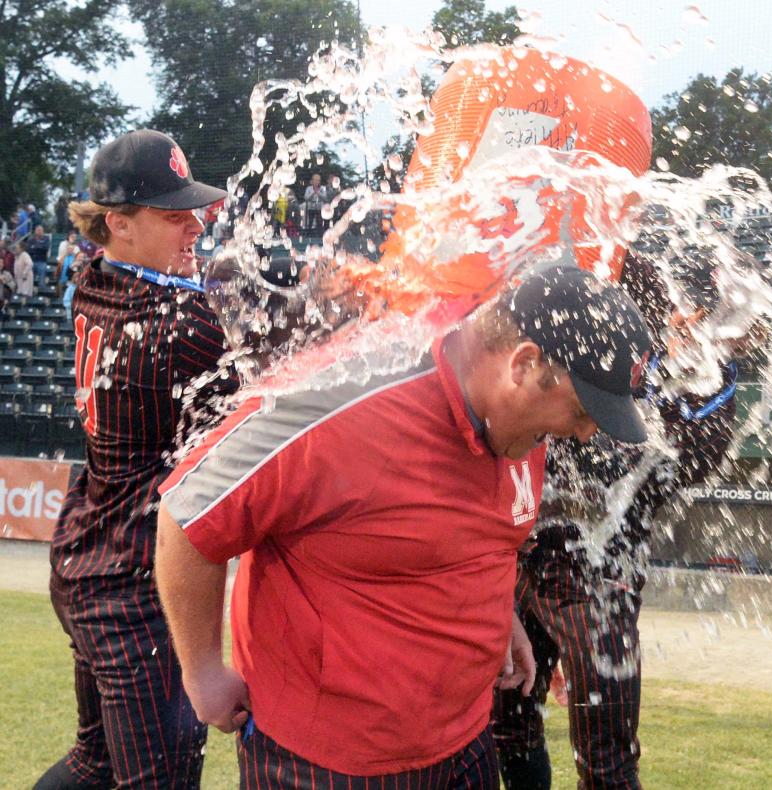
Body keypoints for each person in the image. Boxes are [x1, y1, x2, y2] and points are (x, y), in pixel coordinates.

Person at [154, 264, 653, 788]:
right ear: (524, 364)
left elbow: (471, 530)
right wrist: (203, 669)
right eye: (580, 411)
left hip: (464, 746)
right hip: (327, 765)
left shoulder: (520, 425)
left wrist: (498, 613)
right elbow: (189, 513)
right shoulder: (338, 397)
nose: (585, 432)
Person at [493, 250, 759, 790]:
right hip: (522, 558)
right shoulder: (600, 340)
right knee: (508, 724)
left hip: (599, 580)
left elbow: (693, 461)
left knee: (605, 756)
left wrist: (719, 353)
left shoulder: (674, 383)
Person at [34, 129, 233, 790]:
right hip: (132, 583)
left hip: (88, 553)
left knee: (95, 766)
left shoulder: (97, 276)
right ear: (117, 224)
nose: (196, 226)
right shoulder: (177, 327)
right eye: (175, 216)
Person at [55, 230, 80, 298]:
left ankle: (69, 298)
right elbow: (61, 255)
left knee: (71, 284)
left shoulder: (76, 246)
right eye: (72, 236)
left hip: (72, 267)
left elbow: (78, 257)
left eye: (75, 237)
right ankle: (59, 297)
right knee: (61, 282)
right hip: (63, 265)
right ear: (68, 236)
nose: (74, 238)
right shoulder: (63, 244)